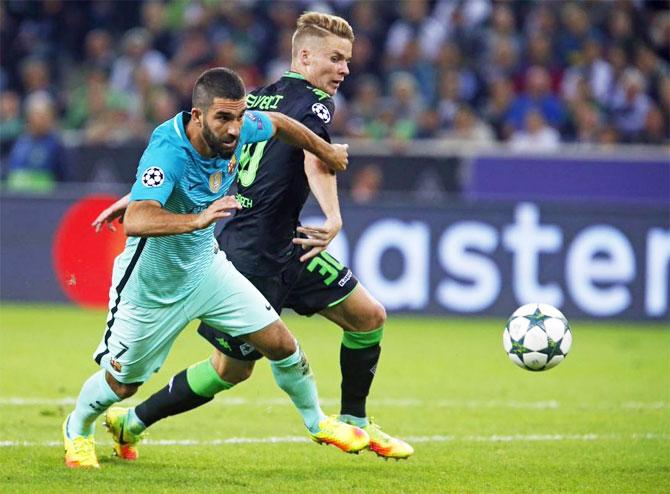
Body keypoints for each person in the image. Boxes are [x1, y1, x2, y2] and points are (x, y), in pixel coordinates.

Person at [94, 12, 413, 460]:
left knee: (368, 316)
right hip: (252, 253)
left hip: (286, 241)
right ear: (304, 56)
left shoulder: (258, 98)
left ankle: (356, 423)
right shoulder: (316, 103)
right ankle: (132, 420)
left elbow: (199, 154)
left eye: (347, 61)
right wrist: (334, 217)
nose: (344, 70)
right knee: (231, 369)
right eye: (336, 59)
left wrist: (132, 195)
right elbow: (316, 159)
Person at [63, 66, 369, 469]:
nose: (235, 129)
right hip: (153, 285)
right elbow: (138, 219)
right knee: (123, 383)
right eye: (224, 118)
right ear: (197, 116)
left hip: (206, 270)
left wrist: (325, 151)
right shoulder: (167, 149)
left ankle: (317, 423)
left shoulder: (244, 126)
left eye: (240, 117)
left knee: (279, 343)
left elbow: (278, 123)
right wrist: (198, 218)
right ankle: (78, 428)